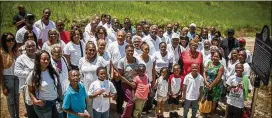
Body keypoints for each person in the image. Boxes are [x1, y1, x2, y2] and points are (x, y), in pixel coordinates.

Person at [26, 50, 62, 118]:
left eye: (48, 59)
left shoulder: (53, 71)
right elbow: (30, 90)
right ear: (38, 60)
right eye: (44, 59)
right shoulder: (33, 75)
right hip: (43, 105)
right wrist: (35, 101)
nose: (46, 61)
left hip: (55, 102)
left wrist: (60, 99)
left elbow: (58, 85)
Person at [78, 41, 108, 116]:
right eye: (90, 50)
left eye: (94, 50)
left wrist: (106, 88)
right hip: (86, 89)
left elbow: (106, 75)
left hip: (99, 89)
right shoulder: (81, 60)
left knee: (100, 107)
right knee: (89, 107)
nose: (92, 52)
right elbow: (80, 75)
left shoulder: (100, 59)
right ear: (86, 50)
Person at [14, 40, 38, 118]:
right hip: (27, 87)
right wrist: (30, 73)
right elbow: (16, 72)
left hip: (40, 86)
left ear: (36, 46)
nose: (31, 48)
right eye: (29, 47)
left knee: (40, 108)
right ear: (25, 48)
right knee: (31, 109)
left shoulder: (39, 55)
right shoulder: (21, 59)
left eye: (33, 46)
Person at [107, 30, 127, 114]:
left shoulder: (127, 46)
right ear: (116, 36)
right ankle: (108, 108)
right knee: (110, 91)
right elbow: (109, 59)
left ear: (125, 37)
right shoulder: (111, 45)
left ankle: (119, 108)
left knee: (121, 92)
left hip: (123, 72)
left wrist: (121, 73)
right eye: (119, 35)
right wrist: (112, 72)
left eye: (122, 36)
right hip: (113, 72)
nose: (120, 37)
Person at [0, 32, 19, 118]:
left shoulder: (16, 51)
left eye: (13, 39)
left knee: (17, 99)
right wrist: (3, 87)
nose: (11, 42)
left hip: (17, 77)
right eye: (8, 40)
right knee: (11, 101)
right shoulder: (1, 53)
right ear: (4, 41)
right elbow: (0, 72)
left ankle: (17, 116)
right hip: (7, 78)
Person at [117, 44, 139, 118]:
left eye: (132, 51)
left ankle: (131, 115)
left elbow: (138, 72)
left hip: (135, 84)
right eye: (129, 51)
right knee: (131, 101)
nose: (130, 52)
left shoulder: (136, 60)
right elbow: (120, 76)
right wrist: (130, 83)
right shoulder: (122, 61)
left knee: (135, 100)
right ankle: (124, 116)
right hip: (126, 84)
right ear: (125, 51)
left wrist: (135, 83)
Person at [203, 50, 224, 116]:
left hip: (215, 86)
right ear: (212, 57)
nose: (215, 58)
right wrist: (206, 81)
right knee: (206, 97)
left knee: (214, 100)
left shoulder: (221, 66)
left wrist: (211, 86)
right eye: (214, 56)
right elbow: (204, 72)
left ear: (220, 58)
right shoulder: (209, 63)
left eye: (217, 57)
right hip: (207, 84)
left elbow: (218, 78)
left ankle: (211, 112)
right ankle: (205, 110)